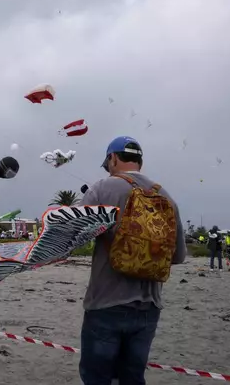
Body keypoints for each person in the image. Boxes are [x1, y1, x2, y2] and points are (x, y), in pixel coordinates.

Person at [78, 136, 187, 385]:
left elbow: (74, 237)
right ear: (140, 161)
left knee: (97, 378)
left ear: (112, 158)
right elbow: (178, 256)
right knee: (132, 378)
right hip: (149, 307)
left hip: (106, 303)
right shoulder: (167, 198)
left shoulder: (102, 188)